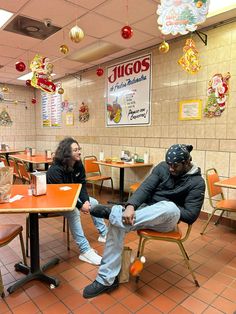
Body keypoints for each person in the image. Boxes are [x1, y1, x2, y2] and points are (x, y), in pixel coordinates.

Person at [83, 144, 205, 298]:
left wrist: (162, 206)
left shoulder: (197, 182)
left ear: (187, 162)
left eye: (175, 166)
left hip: (166, 221)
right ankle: (106, 279)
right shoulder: (162, 168)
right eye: (169, 165)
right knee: (117, 224)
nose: (171, 169)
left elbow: (191, 214)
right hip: (145, 213)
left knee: (170, 207)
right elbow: (145, 188)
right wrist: (131, 206)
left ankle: (114, 213)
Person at [46, 137, 107, 266]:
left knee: (94, 202)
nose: (79, 152)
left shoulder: (78, 165)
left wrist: (85, 202)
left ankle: (104, 234)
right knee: (73, 212)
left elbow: (82, 185)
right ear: (66, 153)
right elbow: (63, 195)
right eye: (75, 150)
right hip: (56, 201)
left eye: (79, 149)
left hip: (71, 198)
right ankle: (85, 251)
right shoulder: (55, 170)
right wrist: (80, 206)